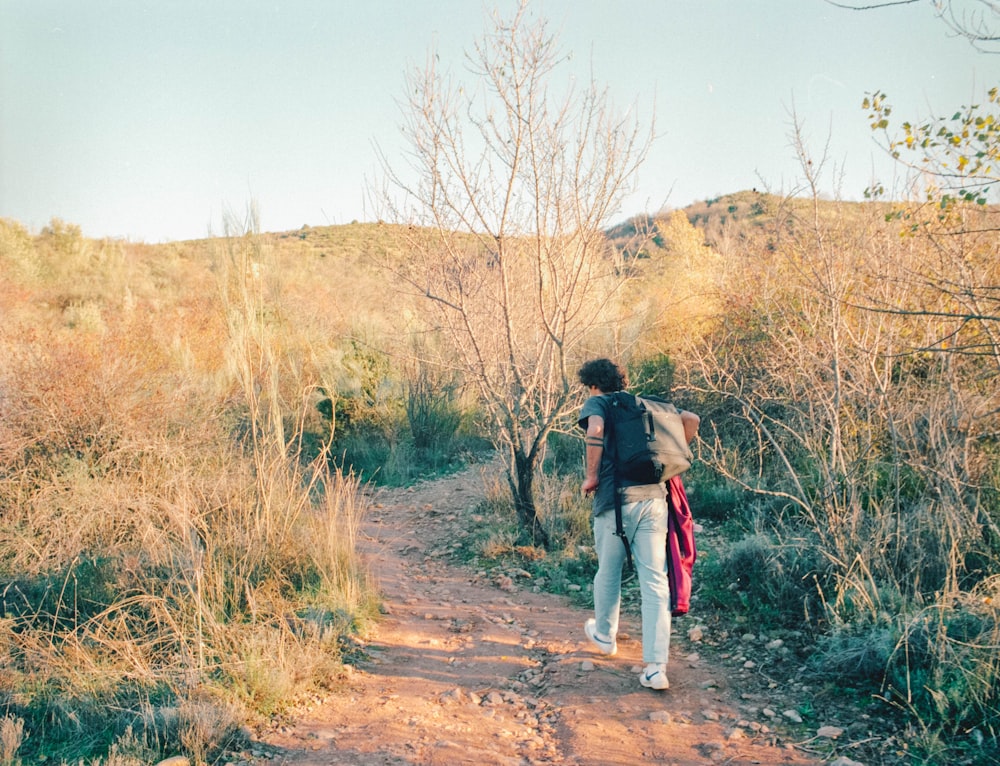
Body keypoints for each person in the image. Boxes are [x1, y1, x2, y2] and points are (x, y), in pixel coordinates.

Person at [576, 358, 700, 691]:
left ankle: (605, 635)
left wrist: (591, 477)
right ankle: (656, 668)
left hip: (615, 502)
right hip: (654, 501)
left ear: (592, 385)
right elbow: (691, 419)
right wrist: (672, 461)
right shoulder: (648, 404)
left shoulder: (598, 402)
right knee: (655, 582)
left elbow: (596, 429)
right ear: (622, 381)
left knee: (608, 570)